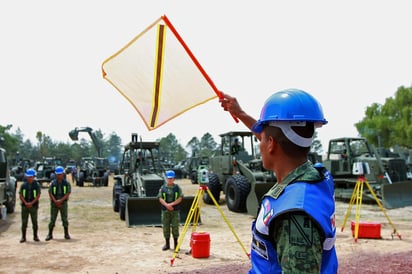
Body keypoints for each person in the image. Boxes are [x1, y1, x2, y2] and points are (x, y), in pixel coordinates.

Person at [219, 88, 338, 273]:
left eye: (262, 139)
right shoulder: (315, 179)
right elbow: (279, 138)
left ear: (272, 144)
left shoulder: (294, 214)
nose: (260, 144)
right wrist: (240, 114)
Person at [158, 170, 183, 251]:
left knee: (175, 227)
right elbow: (160, 198)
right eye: (168, 178)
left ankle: (176, 244)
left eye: (171, 178)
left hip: (175, 211)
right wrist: (167, 205)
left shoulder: (177, 188)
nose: (170, 180)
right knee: (166, 227)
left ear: (174, 179)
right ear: (166, 178)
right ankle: (167, 244)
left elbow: (180, 198)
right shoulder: (163, 188)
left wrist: (171, 205)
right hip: (165, 211)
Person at [45, 166, 71, 241]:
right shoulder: (52, 183)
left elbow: (68, 193)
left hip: (63, 203)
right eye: (58, 174)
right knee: (52, 219)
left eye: (60, 174)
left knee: (64, 219)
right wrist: (55, 201)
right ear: (55, 175)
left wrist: (61, 201)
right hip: (54, 203)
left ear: (63, 174)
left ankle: (66, 233)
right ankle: (50, 234)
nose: (59, 176)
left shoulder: (66, 183)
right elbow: (50, 193)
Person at [19, 168, 41, 243]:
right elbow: (21, 195)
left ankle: (35, 236)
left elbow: (38, 195)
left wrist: (31, 203)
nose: (30, 178)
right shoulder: (23, 185)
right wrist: (25, 203)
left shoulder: (36, 185)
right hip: (25, 206)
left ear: (34, 177)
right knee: (24, 222)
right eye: (28, 176)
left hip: (33, 206)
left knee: (34, 222)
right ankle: (23, 237)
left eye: (31, 177)